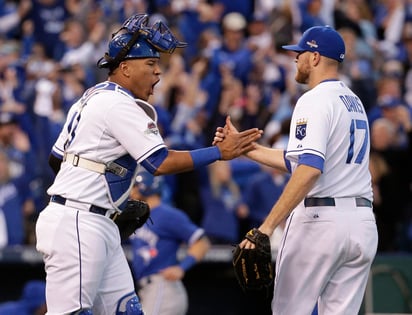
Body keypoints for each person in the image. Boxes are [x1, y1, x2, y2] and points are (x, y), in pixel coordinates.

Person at [34, 13, 262, 315]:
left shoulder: (91, 97)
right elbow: (160, 162)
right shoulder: (118, 103)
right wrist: (219, 152)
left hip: (93, 220)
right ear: (125, 69)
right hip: (78, 221)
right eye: (150, 64)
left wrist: (104, 200)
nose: (158, 74)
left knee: (127, 310)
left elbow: (57, 160)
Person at [215, 25, 378, 314]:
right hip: (362, 223)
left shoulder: (313, 99)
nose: (295, 59)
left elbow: (310, 169)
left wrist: (266, 228)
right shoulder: (353, 101)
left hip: (321, 221)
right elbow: (302, 161)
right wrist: (247, 148)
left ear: (314, 58)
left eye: (300, 53)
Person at [129, 169, 211, 315]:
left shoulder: (167, 214)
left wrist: (182, 267)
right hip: (148, 288)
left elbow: (202, 242)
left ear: (146, 186)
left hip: (162, 285)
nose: (132, 191)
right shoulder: (138, 217)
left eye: (135, 185)